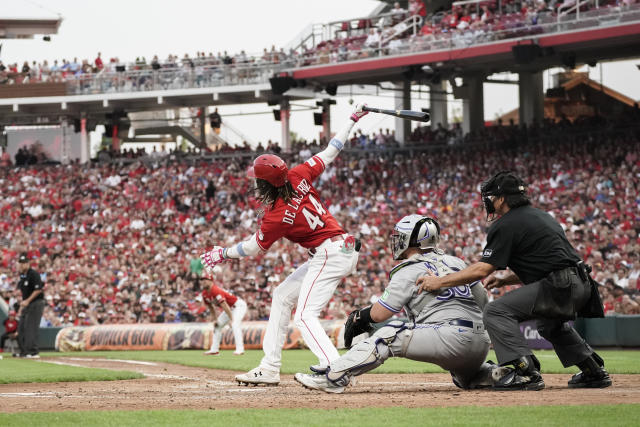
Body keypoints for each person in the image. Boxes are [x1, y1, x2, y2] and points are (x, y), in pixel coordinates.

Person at [200, 104, 369, 386]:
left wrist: (222, 253)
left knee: (304, 316)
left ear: (266, 184)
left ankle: (336, 372)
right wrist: (351, 120)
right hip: (336, 249)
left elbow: (253, 248)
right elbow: (332, 149)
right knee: (281, 296)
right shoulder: (298, 174)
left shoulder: (276, 215)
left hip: (331, 252)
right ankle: (269, 367)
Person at [416, 171, 611, 391]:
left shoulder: (506, 223)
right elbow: (549, 261)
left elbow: (482, 269)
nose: (488, 202)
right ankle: (592, 369)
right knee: (550, 325)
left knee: (495, 311)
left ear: (501, 199)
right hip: (581, 283)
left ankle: (522, 370)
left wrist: (439, 282)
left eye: (490, 197)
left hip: (560, 284)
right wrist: (505, 279)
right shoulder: (541, 216)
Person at [294, 215, 506, 393]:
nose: (396, 241)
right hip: (479, 344)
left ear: (410, 240)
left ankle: (333, 376)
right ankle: (490, 373)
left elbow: (379, 315)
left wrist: (361, 316)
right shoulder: (456, 262)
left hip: (449, 338)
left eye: (399, 237)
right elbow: (482, 300)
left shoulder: (409, 268)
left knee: (390, 333)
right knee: (463, 378)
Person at [200, 271, 247, 356]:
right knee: (217, 326)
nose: (203, 281)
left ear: (211, 281)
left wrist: (231, 319)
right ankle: (214, 350)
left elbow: (224, 305)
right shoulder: (204, 293)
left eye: (205, 279)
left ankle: (240, 349)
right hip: (229, 309)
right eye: (202, 279)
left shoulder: (215, 290)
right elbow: (211, 308)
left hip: (238, 306)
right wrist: (214, 319)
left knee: (235, 324)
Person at [16, 253, 46, 358]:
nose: (22, 265)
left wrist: (27, 301)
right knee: (21, 327)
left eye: (24, 263)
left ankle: (33, 352)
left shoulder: (33, 274)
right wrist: (22, 306)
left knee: (31, 327)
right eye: (20, 263)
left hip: (36, 303)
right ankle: (24, 351)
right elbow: (23, 294)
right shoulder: (23, 276)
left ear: (28, 264)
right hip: (27, 304)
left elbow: (38, 290)